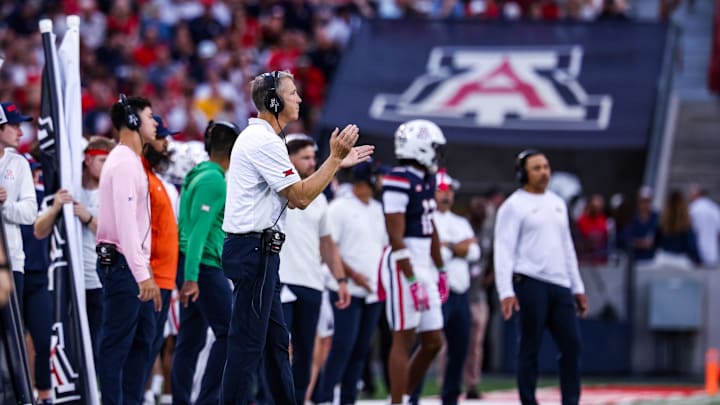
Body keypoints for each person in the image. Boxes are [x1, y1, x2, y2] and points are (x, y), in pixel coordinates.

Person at [220, 70, 372, 404]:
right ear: (274, 101)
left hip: (259, 252)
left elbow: (300, 192)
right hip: (253, 251)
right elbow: (300, 197)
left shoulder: (263, 140)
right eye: (292, 93)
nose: (300, 99)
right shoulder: (263, 141)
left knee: (276, 346)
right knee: (247, 344)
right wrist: (333, 159)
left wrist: (335, 165)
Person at [494, 149, 588, 405]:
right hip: (530, 280)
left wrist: (577, 287)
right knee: (529, 348)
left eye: (546, 167)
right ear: (523, 173)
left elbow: (567, 246)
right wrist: (506, 291)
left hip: (560, 284)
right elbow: (503, 250)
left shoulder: (557, 203)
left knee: (572, 346)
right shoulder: (514, 206)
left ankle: (571, 400)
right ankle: (528, 401)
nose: (544, 172)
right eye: (537, 168)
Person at [95, 95, 162, 405]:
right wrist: (141, 274)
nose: (155, 123)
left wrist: (145, 272)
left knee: (143, 340)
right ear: (133, 121)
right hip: (123, 266)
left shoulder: (131, 161)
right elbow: (126, 225)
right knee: (117, 345)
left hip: (132, 266)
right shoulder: (123, 163)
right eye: (149, 117)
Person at [278, 133, 351, 405]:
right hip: (282, 280)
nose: (312, 162)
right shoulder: (276, 188)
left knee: (307, 353)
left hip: (311, 283)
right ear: (288, 159)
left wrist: (340, 279)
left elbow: (328, 244)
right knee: (277, 350)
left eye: (313, 157)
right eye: (305, 157)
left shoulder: (319, 198)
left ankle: (296, 400)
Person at [379, 119, 447, 405]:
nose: (437, 153)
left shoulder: (426, 179)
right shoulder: (398, 178)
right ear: (419, 147)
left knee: (433, 342)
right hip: (402, 264)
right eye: (433, 147)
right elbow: (395, 234)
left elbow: (430, 227)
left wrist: (440, 268)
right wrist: (410, 278)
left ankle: (403, 395)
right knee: (403, 338)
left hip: (422, 264)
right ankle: (398, 401)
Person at [171, 120, 239, 404]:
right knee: (229, 333)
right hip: (202, 267)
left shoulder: (198, 172)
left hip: (190, 263)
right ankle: (207, 400)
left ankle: (181, 400)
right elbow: (198, 232)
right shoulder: (214, 180)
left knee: (191, 339)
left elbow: (185, 225)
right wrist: (190, 277)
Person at [34, 136, 116, 361]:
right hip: (64, 279)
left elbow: (117, 234)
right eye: (102, 160)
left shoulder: (111, 192)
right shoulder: (67, 191)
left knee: (95, 344)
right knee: (60, 341)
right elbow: (39, 230)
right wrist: (55, 208)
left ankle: (92, 391)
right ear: (88, 161)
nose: (106, 166)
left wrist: (88, 217)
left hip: (96, 280)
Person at [313, 160, 387, 405]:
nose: (378, 184)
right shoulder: (339, 208)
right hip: (345, 288)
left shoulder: (377, 209)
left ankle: (348, 399)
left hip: (372, 291)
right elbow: (330, 248)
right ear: (362, 182)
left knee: (361, 350)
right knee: (342, 346)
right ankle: (324, 397)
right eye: (374, 180)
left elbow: (382, 246)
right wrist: (354, 275)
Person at [432, 170, 480, 405]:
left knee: (460, 346)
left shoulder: (461, 222)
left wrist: (448, 245)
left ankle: (450, 396)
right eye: (441, 191)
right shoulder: (428, 218)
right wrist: (457, 247)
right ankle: (413, 393)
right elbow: (436, 254)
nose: (446, 196)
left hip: (461, 292)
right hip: (439, 291)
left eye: (449, 191)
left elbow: (475, 252)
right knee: (430, 345)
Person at [141, 114, 180, 391]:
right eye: (162, 137)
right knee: (140, 344)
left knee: (154, 343)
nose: (167, 143)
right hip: (148, 277)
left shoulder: (163, 183)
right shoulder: (141, 178)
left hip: (166, 277)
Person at [19, 156, 52, 404]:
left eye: (37, 173)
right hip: (12, 276)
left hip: (39, 275)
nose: (35, 178)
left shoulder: (43, 199)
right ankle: (17, 391)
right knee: (12, 339)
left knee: (42, 338)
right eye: (31, 173)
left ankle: (44, 393)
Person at [0, 101, 38, 314]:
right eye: (14, 126)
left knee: (11, 331)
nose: (21, 133)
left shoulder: (19, 163)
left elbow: (30, 213)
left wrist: (6, 204)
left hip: (11, 262)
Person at [688, 184, 720, 267]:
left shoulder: (692, 209)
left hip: (696, 254)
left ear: (697, 195)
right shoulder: (714, 208)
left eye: (691, 195)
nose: (690, 197)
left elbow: (690, 231)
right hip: (712, 254)